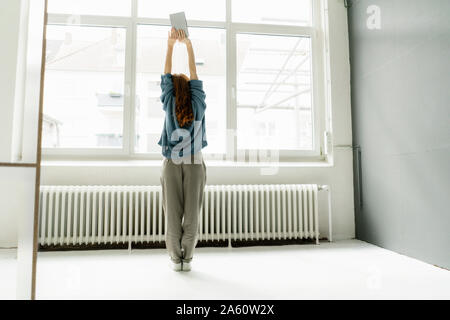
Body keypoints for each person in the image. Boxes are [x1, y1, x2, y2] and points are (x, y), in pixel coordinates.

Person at [159, 28, 207, 272]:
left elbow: (166, 75)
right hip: (195, 162)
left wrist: (170, 46)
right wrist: (187, 45)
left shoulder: (169, 100)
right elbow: (194, 73)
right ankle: (187, 259)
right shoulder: (197, 99)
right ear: (190, 87)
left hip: (171, 162)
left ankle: (175, 259)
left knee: (172, 212)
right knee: (192, 213)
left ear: (173, 89)